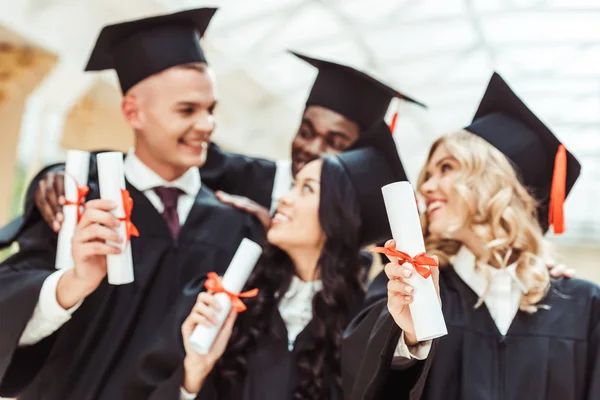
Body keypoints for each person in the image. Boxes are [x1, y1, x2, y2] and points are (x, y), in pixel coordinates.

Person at [0, 8, 264, 400]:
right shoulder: (78, 203)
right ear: (132, 112)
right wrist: (73, 282)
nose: (207, 125)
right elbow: (9, 302)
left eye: (211, 109)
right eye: (187, 110)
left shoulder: (233, 228)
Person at [341, 73, 597, 400]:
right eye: (428, 174)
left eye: (446, 168)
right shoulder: (416, 288)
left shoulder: (583, 306)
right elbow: (360, 377)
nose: (426, 187)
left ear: (495, 181)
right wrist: (410, 335)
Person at [0, 52, 425, 240]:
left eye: (335, 143)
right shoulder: (236, 174)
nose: (310, 149)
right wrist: (59, 174)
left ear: (356, 155)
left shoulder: (354, 225)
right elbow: (139, 163)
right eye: (306, 130)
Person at [122, 120, 407, 400]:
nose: (284, 198)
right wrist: (192, 376)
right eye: (294, 185)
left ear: (339, 219)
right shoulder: (225, 295)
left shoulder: (359, 334)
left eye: (306, 188)